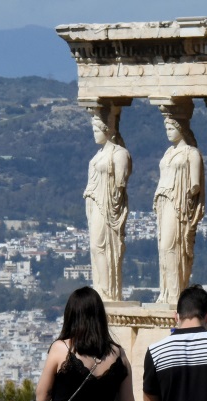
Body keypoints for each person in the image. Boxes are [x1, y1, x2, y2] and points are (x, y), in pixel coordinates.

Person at [153, 114, 204, 305]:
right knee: (163, 248)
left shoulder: (191, 153)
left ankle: (175, 294)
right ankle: (166, 292)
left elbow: (195, 184)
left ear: (181, 129)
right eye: (166, 128)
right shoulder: (168, 153)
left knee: (171, 245)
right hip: (164, 202)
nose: (168, 132)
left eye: (171, 128)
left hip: (179, 204)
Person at [84, 112, 132, 302]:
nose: (94, 134)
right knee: (95, 247)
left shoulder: (120, 153)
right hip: (95, 202)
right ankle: (101, 289)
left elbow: (120, 183)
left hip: (107, 205)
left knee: (101, 246)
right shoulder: (99, 154)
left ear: (107, 130)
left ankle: (107, 291)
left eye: (97, 130)